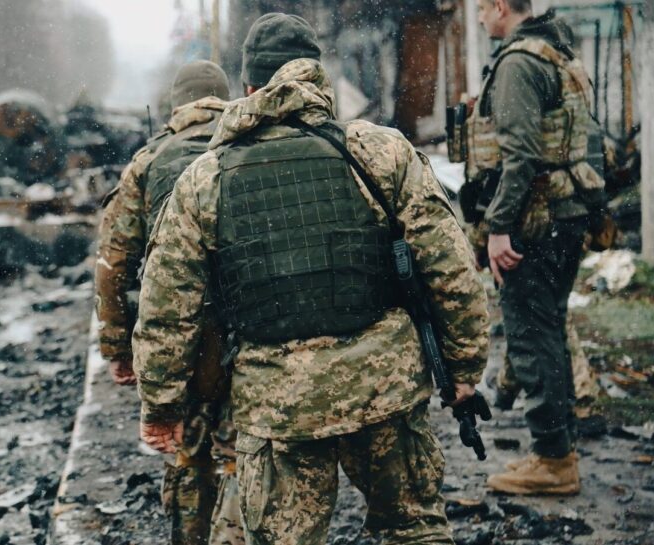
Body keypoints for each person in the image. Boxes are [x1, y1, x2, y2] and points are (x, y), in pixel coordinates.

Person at [133, 13, 490, 545]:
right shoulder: (381, 152)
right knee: (414, 530)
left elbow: (167, 309)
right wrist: (464, 368)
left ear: (249, 87)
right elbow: (451, 269)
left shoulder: (204, 179)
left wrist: (162, 406)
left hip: (279, 407)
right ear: (318, 77)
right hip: (383, 390)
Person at [94, 60, 241, 545]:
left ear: (177, 104)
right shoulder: (251, 144)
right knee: (244, 455)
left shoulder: (149, 161)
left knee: (188, 454)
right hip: (250, 331)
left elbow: (113, 264)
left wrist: (118, 349)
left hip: (182, 337)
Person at [466, 0, 607, 495]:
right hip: (565, 215)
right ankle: (558, 448)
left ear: (501, 7)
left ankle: (553, 460)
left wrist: (498, 228)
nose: (479, 18)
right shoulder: (556, 52)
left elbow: (521, 156)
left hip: (536, 221)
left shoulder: (519, 63)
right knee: (548, 331)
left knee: (531, 337)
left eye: (481, 8)